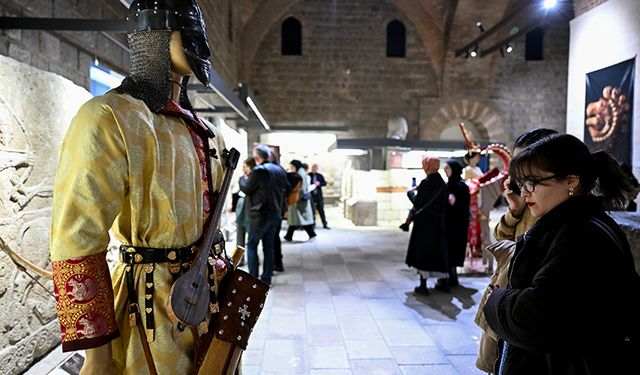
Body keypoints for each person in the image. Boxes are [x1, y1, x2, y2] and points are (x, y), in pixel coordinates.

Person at [50, 1, 226, 373]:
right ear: (156, 34)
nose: (200, 42)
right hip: (149, 314)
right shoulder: (109, 117)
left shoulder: (204, 133)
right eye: (186, 29)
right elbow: (76, 241)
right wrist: (96, 355)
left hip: (209, 308)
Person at [484, 134, 640, 375]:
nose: (525, 193)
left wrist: (495, 301)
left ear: (571, 182)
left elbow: (534, 320)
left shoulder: (580, 235)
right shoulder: (572, 225)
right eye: (523, 183)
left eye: (532, 182)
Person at [474, 128, 557, 373]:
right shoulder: (529, 199)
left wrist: (500, 301)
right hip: (506, 302)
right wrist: (516, 209)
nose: (519, 180)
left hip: (517, 310)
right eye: (517, 169)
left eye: (527, 171)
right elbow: (503, 239)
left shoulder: (551, 209)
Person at [240, 144, 288, 285]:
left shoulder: (259, 171)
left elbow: (247, 188)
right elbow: (287, 188)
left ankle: (253, 280)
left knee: (252, 245)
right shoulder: (280, 170)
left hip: (259, 215)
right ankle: (266, 280)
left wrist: (242, 179)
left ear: (256, 157)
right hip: (275, 213)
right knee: (269, 246)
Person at [405, 156, 449, 296]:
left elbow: (418, 203)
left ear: (428, 166)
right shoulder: (442, 183)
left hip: (424, 225)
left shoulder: (426, 182)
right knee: (437, 252)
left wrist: (410, 193)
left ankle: (423, 286)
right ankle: (444, 283)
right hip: (439, 224)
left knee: (423, 253)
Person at [435, 159, 470, 292]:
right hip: (448, 224)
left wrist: (454, 203)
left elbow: (463, 207)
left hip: (456, 226)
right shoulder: (449, 184)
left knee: (452, 251)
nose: (445, 171)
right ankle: (451, 278)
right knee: (449, 252)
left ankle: (450, 279)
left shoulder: (461, 186)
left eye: (447, 169)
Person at [284, 160, 317, 241]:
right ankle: (289, 236)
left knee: (299, 219)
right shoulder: (301, 173)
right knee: (297, 219)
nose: (291, 169)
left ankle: (311, 234)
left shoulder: (300, 174)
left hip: (298, 200)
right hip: (300, 200)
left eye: (292, 167)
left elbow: (301, 188)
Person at [235, 157, 256, 266]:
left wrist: (242, 179)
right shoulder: (244, 178)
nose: (243, 169)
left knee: (251, 240)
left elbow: (246, 189)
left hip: (249, 213)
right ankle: (240, 260)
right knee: (239, 238)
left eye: (245, 167)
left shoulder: (253, 178)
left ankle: (252, 261)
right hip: (241, 212)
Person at [308, 163, 330, 229]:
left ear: (317, 169)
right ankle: (313, 224)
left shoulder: (320, 176)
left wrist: (319, 183)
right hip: (311, 195)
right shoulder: (309, 175)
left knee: (321, 210)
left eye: (315, 168)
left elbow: (324, 183)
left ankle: (325, 224)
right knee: (311, 210)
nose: (314, 169)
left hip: (318, 195)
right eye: (312, 168)